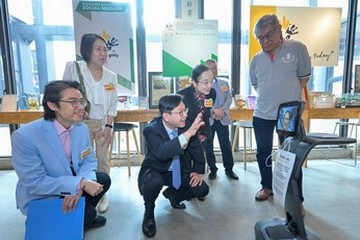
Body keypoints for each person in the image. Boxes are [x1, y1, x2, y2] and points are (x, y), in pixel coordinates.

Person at [11, 80, 111, 230]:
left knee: (103, 179)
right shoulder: (25, 136)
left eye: (81, 101)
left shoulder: (81, 128)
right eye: (73, 102)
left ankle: (76, 216)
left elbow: (89, 160)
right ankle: (51, 219)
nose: (80, 107)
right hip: (43, 194)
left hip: (67, 183)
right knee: (87, 214)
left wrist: (78, 186)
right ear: (52, 105)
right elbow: (35, 182)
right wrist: (78, 184)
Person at [250, 14, 311, 209]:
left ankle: (296, 199)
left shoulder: (297, 49)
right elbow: (257, 85)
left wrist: (286, 99)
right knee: (263, 153)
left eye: (269, 35)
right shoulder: (256, 59)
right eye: (260, 37)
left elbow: (303, 79)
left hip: (288, 115)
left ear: (279, 31)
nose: (265, 41)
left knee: (291, 156)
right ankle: (266, 187)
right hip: (262, 114)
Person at [138, 94, 209, 238]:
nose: (185, 115)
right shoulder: (151, 130)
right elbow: (162, 152)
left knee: (201, 189)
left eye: (185, 110)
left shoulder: (185, 124)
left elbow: (197, 149)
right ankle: (149, 213)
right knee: (153, 183)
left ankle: (173, 195)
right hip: (156, 170)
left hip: (178, 170)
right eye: (180, 112)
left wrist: (199, 171)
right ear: (166, 116)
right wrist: (188, 134)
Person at [62, 33, 118, 213]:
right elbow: (63, 95)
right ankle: (81, 190)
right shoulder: (74, 68)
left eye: (105, 50)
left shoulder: (111, 76)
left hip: (102, 125)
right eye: (98, 49)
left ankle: (101, 193)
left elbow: (113, 104)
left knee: (102, 159)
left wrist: (109, 127)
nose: (103, 53)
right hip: (79, 125)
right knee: (81, 159)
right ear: (87, 50)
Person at [204, 59, 239, 180]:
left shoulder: (224, 83)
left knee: (226, 145)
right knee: (208, 146)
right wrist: (214, 111)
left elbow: (229, 98)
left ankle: (229, 169)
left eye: (215, 68)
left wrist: (222, 110)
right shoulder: (203, 85)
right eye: (210, 68)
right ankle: (212, 169)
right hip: (210, 119)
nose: (213, 70)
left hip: (223, 118)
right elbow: (203, 101)